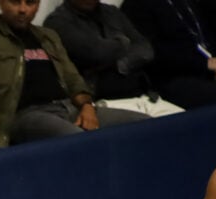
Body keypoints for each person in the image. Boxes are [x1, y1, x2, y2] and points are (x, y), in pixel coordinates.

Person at [0, 0, 149, 149]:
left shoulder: (48, 37)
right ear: (1, 2)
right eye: (15, 2)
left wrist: (87, 107)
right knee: (80, 142)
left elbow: (73, 80)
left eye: (30, 3)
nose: (23, 9)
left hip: (68, 108)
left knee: (146, 127)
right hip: (26, 116)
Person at [43, 0, 185, 117]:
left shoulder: (111, 12)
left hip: (144, 95)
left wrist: (120, 65)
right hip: (101, 101)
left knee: (184, 124)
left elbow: (145, 49)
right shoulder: (57, 22)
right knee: (147, 127)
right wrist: (125, 41)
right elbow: (97, 53)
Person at [120, 0, 216, 108]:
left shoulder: (185, 3)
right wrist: (205, 64)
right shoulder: (136, 5)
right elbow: (153, 55)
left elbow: (203, 37)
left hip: (211, 66)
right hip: (173, 78)